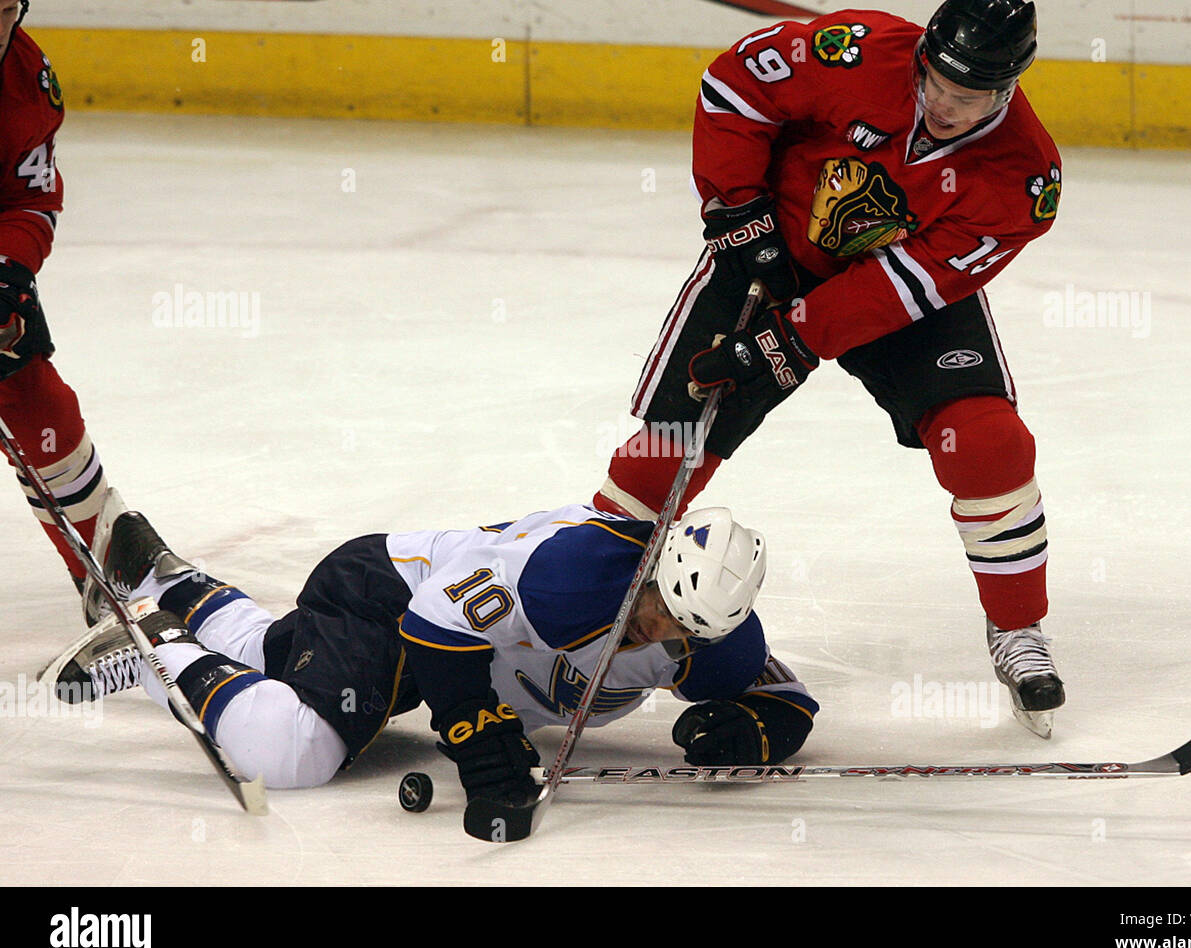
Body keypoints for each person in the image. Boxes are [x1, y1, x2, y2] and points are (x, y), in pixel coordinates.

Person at [592, 1, 1064, 735]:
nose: (940, 103)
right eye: (934, 82)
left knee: (986, 441)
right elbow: (732, 89)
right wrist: (738, 211)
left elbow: (904, 287)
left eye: (965, 98)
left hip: (893, 288)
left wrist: (791, 339)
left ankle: (1018, 629)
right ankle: (584, 597)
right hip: (769, 246)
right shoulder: (861, 51)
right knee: (668, 443)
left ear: (1007, 89)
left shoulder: (1024, 179)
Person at [47, 503, 818, 811]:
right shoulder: (567, 575)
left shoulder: (704, 640)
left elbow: (784, 697)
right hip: (386, 593)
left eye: (677, 630)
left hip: (422, 634)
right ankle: (157, 649)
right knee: (295, 749)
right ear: (649, 566)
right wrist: (476, 733)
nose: (653, 630)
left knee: (284, 666)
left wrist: (756, 734)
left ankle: (178, 584)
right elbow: (437, 624)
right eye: (654, 606)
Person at [0, 0, 112, 604]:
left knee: (35, 400)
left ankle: (98, 564)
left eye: (4, 11)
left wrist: (6, 274)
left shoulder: (25, 78)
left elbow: (27, 200)